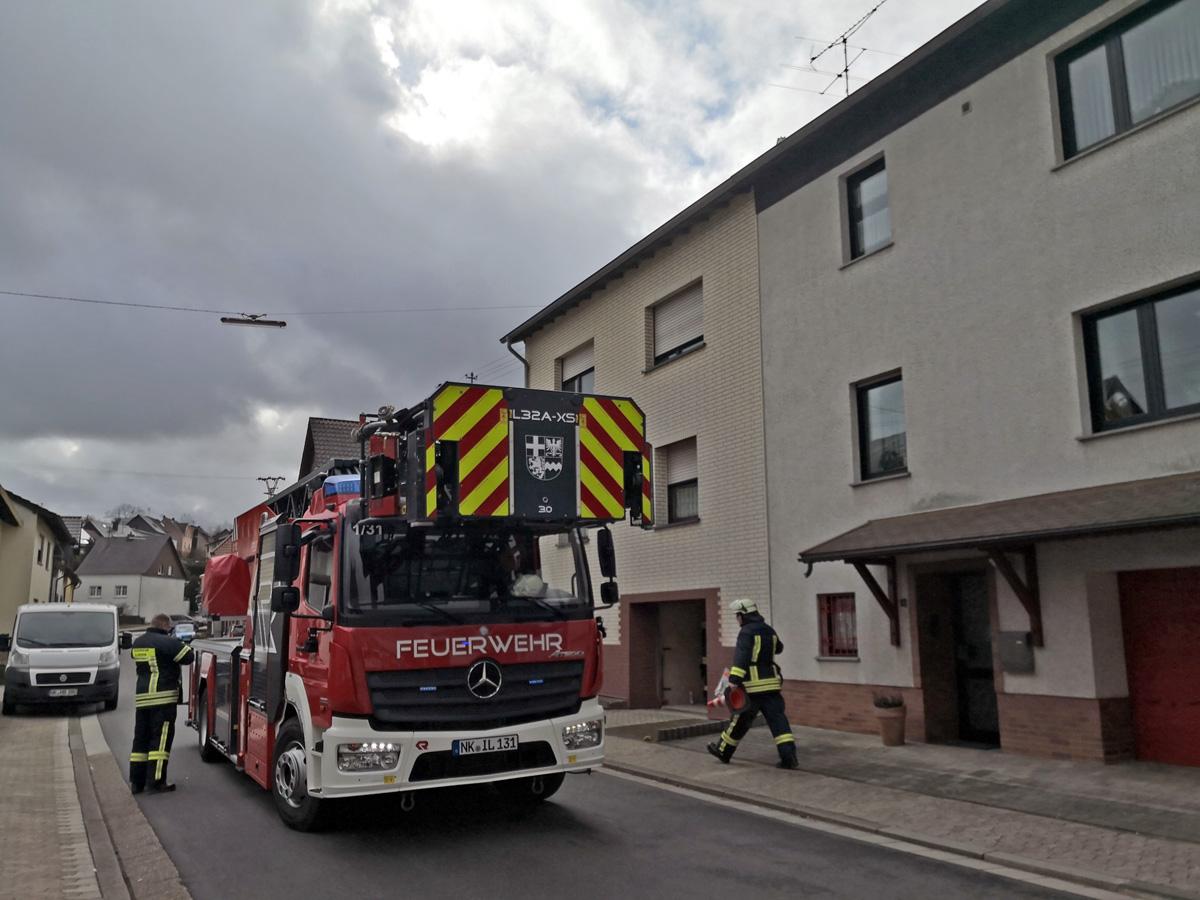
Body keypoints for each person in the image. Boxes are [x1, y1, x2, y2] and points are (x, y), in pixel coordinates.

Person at [708, 598, 799, 769]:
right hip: (771, 686)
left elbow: (741, 657)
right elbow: (779, 648)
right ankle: (789, 758)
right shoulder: (769, 630)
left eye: (737, 615)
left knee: (740, 720)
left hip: (752, 687)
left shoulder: (746, 632)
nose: (737, 619)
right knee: (778, 721)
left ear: (743, 615)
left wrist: (734, 680)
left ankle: (723, 751)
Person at [129, 613, 194, 794]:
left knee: (140, 740)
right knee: (160, 740)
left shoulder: (138, 642)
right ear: (164, 625)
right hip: (163, 698)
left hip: (143, 698)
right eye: (170, 627)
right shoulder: (167, 642)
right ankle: (156, 781)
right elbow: (188, 657)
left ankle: (137, 782)